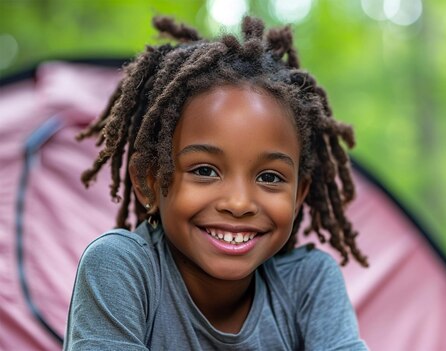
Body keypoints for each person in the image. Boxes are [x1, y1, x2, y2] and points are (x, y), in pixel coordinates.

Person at [64, 15, 369, 350]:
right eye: (205, 170)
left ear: (298, 196)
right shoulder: (120, 269)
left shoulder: (309, 284)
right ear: (149, 182)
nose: (238, 203)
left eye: (269, 177)